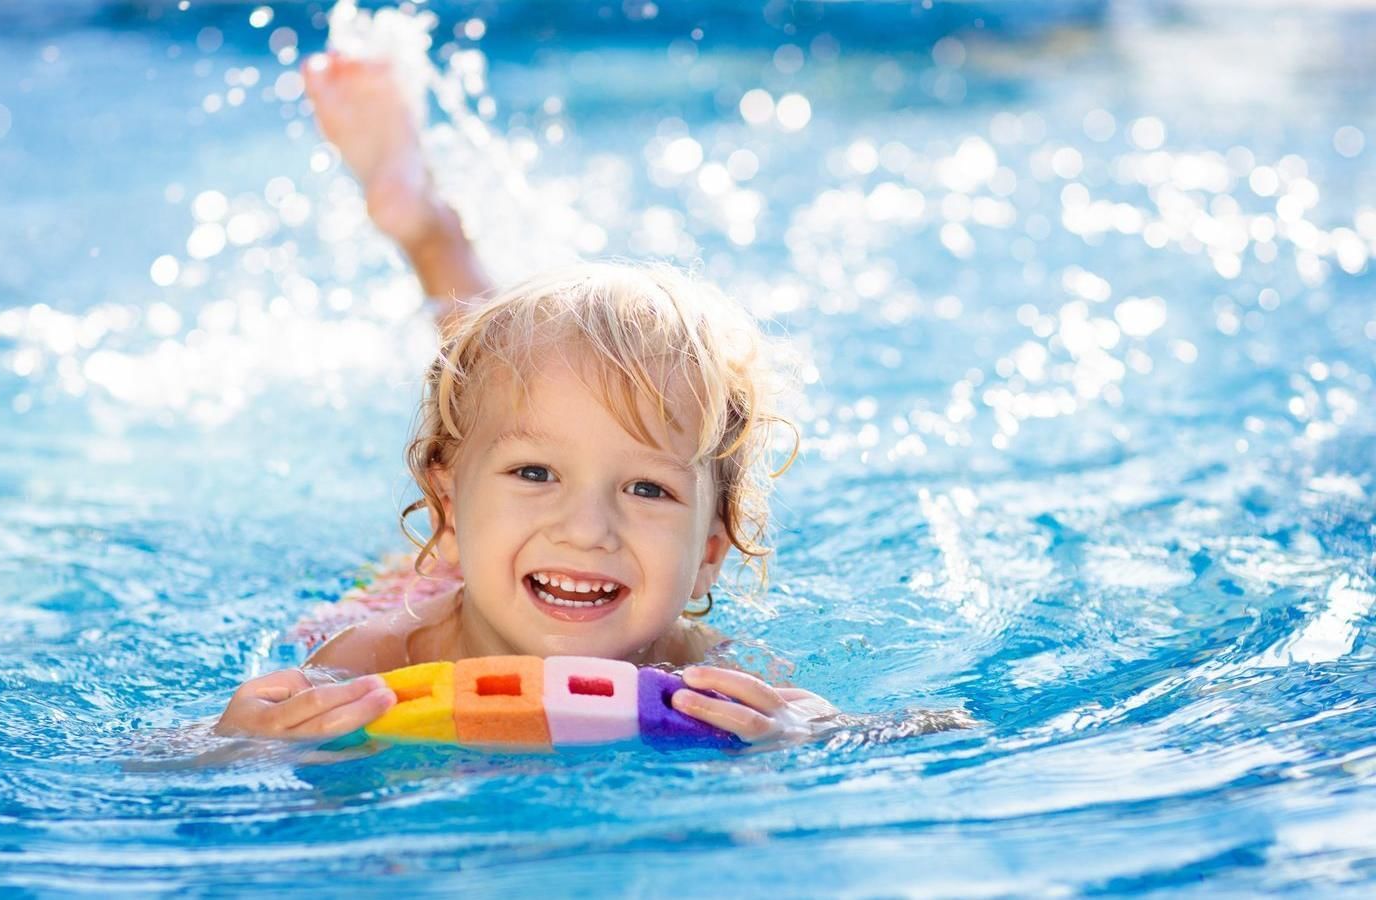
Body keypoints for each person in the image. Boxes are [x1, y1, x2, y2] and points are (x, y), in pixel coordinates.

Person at [215, 51, 966, 749]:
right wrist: (239, 743)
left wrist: (819, 733)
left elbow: (939, 727)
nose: (587, 530)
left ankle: (432, 235)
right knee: (489, 378)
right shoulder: (371, 654)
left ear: (709, 552)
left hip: (497, 547)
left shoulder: (711, 676)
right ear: (443, 510)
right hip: (442, 575)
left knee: (513, 399)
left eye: (649, 487)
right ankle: (426, 227)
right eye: (536, 474)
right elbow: (156, 769)